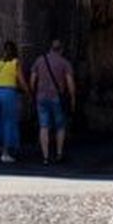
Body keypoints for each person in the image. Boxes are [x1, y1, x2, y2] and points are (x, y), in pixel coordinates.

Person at [30, 37, 76, 165]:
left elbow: (32, 80)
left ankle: (45, 157)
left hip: (41, 97)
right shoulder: (64, 63)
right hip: (57, 98)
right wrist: (72, 98)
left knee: (43, 126)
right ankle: (59, 153)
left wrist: (32, 94)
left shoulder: (39, 60)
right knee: (60, 126)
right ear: (61, 50)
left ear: (50, 48)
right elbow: (70, 83)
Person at [0, 40, 29, 163]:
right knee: (8, 122)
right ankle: (5, 153)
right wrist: (27, 91)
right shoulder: (15, 63)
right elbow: (22, 81)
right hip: (9, 94)